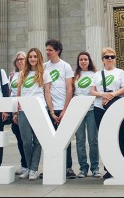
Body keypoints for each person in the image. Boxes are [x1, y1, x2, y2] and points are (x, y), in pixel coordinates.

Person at [90, 47, 124, 179]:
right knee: (105, 137)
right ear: (103, 60)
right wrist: (104, 95)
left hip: (117, 106)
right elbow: (92, 91)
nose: (110, 59)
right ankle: (108, 168)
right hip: (99, 107)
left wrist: (111, 95)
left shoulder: (120, 72)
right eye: (107, 57)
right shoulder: (97, 74)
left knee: (119, 136)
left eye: (112, 56)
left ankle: (119, 166)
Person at [14, 48, 50, 180]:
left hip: (40, 109)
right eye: (30, 57)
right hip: (24, 109)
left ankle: (33, 169)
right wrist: (16, 112)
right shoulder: (22, 73)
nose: (33, 59)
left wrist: (50, 111)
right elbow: (18, 93)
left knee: (38, 141)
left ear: (39, 58)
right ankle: (28, 167)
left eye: (35, 56)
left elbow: (47, 93)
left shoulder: (44, 73)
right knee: (26, 141)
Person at [43, 39, 76, 179]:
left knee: (65, 139)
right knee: (49, 139)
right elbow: (46, 90)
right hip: (49, 107)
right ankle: (50, 166)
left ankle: (67, 167)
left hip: (63, 107)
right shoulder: (44, 66)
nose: (47, 52)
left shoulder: (65, 66)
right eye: (46, 50)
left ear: (57, 51)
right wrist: (50, 110)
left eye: (50, 50)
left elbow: (70, 89)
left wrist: (65, 109)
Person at [72, 51, 100, 178]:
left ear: (89, 61)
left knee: (93, 140)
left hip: (91, 110)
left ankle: (95, 168)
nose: (83, 61)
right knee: (80, 140)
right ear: (78, 62)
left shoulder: (95, 74)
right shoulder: (74, 75)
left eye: (85, 59)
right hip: (78, 110)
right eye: (81, 59)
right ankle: (83, 168)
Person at [9, 51, 29, 177]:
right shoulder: (12, 75)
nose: (20, 61)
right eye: (18, 60)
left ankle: (29, 165)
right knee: (19, 139)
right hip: (14, 110)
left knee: (26, 139)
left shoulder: (29, 74)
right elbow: (10, 92)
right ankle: (24, 164)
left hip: (25, 110)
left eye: (22, 59)